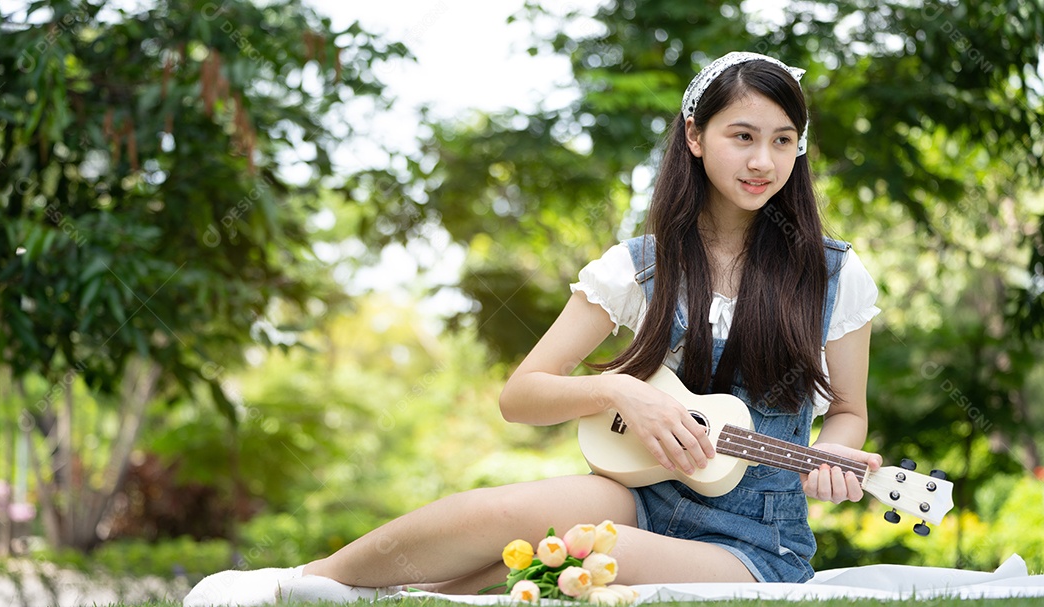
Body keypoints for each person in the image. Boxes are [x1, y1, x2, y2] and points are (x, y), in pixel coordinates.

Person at [183, 51, 882, 606]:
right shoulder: (640, 267)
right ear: (696, 138)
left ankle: (389, 600)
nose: (763, 160)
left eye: (782, 140)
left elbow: (848, 412)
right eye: (743, 136)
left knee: (582, 549)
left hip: (754, 541)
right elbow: (522, 394)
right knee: (503, 511)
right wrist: (619, 391)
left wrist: (834, 457)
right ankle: (305, 583)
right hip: (639, 495)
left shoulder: (832, 275)